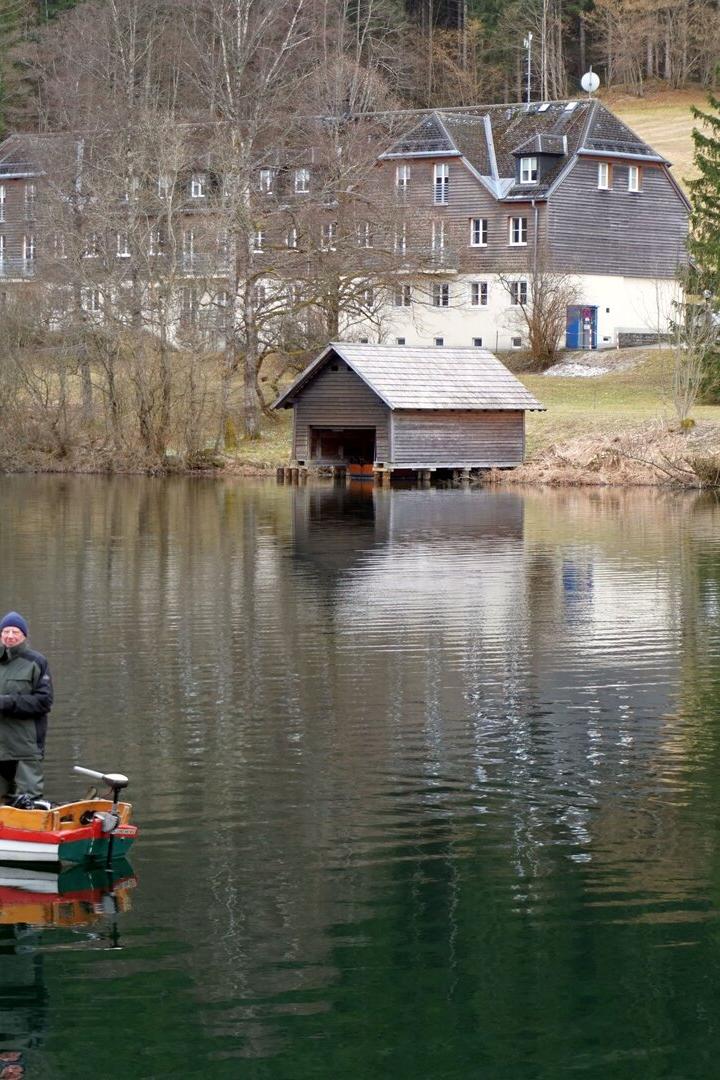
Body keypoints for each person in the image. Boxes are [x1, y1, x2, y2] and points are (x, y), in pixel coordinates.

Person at [0, 612, 53, 803]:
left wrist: (6, 702)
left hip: (26, 747)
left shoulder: (36, 662)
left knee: (30, 803)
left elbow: (44, 702)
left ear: (24, 636)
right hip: (1, 747)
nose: (10, 636)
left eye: (15, 631)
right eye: (6, 631)